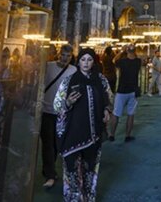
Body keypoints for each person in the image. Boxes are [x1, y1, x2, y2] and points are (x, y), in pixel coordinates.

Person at [54, 48, 112, 202]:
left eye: (89, 60)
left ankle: (88, 196)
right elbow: (57, 105)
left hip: (93, 133)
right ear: (78, 61)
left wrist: (106, 109)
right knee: (72, 168)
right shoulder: (69, 81)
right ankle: (74, 198)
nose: (86, 63)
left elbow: (108, 97)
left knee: (90, 168)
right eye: (83, 59)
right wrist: (68, 102)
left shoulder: (101, 80)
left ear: (94, 62)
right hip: (74, 131)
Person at [40, 45, 76, 189]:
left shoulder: (73, 70)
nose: (64, 58)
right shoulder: (48, 67)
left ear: (71, 57)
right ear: (58, 55)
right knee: (47, 143)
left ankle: (48, 168)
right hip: (46, 110)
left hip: (62, 112)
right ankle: (50, 173)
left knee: (56, 144)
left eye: (68, 56)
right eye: (63, 55)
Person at [109, 44, 141, 142]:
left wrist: (122, 51)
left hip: (122, 91)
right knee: (131, 114)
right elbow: (138, 57)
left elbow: (114, 60)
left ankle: (112, 135)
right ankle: (127, 136)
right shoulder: (138, 62)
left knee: (116, 113)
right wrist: (131, 50)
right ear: (135, 51)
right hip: (133, 91)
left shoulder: (122, 62)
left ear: (127, 51)